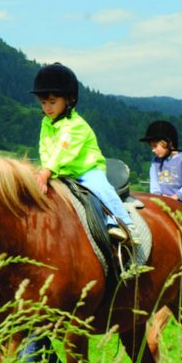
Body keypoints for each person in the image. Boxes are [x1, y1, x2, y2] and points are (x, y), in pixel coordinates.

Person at [31, 62, 134, 242]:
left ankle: (123, 222)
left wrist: (47, 171)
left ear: (69, 99)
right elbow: (45, 147)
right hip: (62, 172)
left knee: (100, 188)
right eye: (43, 102)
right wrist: (44, 169)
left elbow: (63, 151)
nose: (47, 107)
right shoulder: (46, 123)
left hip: (86, 171)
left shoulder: (76, 125)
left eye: (53, 102)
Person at [140, 120, 182, 216]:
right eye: (151, 147)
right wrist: (159, 197)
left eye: (155, 146)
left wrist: (176, 197)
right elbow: (154, 184)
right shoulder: (155, 162)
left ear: (168, 143)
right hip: (162, 202)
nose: (153, 150)